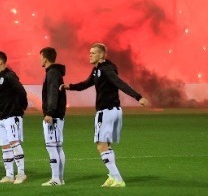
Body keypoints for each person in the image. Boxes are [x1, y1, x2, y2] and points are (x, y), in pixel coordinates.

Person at [62, 43, 150, 188]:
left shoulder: (106, 69)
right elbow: (85, 84)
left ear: (101, 55)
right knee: (106, 145)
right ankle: (112, 176)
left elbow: (119, 83)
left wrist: (138, 97)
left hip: (106, 112)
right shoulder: (97, 70)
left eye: (93, 53)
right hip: (113, 111)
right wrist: (70, 86)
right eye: (90, 52)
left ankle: (118, 179)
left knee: (101, 145)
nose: (90, 55)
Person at [0, 51, 28, 184]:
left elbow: (21, 91)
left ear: (1, 62)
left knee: (14, 143)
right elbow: (0, 96)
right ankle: (9, 175)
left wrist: (22, 107)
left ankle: (21, 173)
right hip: (2, 117)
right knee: (5, 146)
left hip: (12, 115)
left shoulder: (9, 76)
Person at [40, 47, 67, 186]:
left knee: (52, 147)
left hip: (54, 116)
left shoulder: (52, 73)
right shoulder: (55, 72)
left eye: (41, 57)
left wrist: (49, 112)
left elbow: (52, 93)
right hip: (57, 116)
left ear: (45, 58)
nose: (40, 60)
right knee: (57, 147)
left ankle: (56, 179)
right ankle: (59, 179)